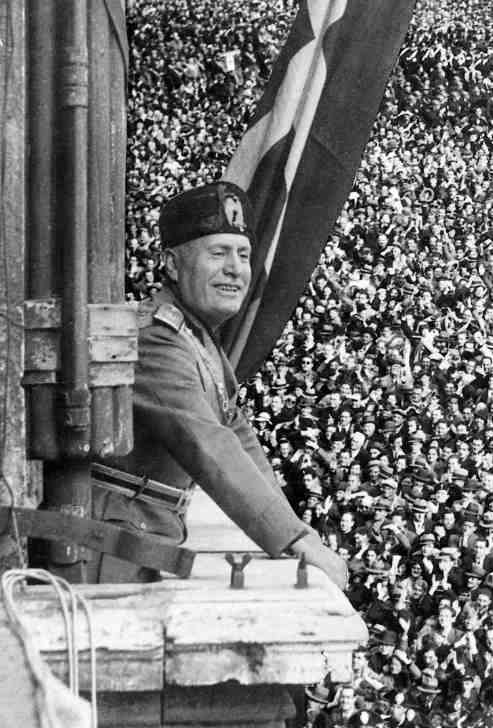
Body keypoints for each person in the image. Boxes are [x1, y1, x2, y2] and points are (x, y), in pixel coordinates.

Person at [88, 181, 347, 587]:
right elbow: (209, 444)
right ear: (171, 265)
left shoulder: (197, 336)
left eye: (243, 254)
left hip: (139, 536)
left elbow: (236, 434)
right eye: (218, 253)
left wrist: (298, 531)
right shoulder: (155, 339)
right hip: (108, 549)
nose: (235, 268)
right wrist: (293, 539)